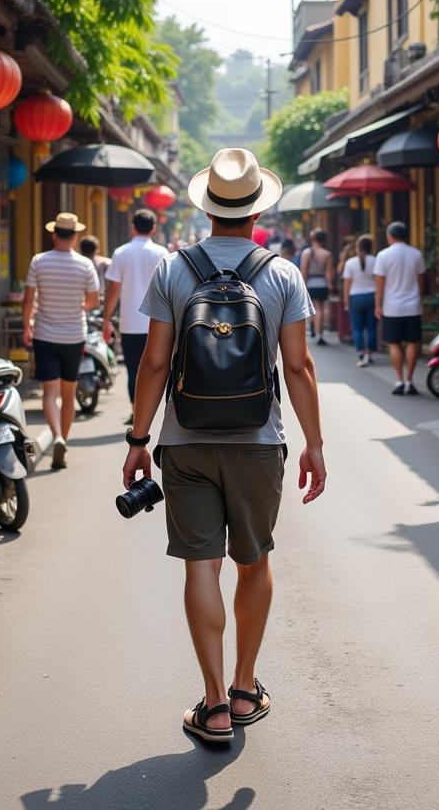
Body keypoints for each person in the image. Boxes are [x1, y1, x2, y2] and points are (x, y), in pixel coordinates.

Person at [122, 147, 326, 745]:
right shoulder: (283, 273)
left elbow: (154, 363)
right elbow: (299, 366)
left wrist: (138, 440)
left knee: (201, 564)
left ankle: (212, 707)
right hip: (260, 441)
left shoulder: (172, 269)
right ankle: (243, 688)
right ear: (257, 210)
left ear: (207, 207)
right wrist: (313, 444)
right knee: (254, 560)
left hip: (185, 439)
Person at [22, 213, 100, 470]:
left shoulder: (39, 261)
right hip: (73, 336)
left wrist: (26, 326)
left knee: (50, 393)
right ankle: (63, 441)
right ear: (75, 236)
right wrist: (79, 304)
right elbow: (93, 301)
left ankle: (55, 435)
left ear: (54, 234)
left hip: (45, 334)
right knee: (68, 394)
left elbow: (28, 298)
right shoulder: (85, 265)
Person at [102, 209, 168, 423]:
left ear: (133, 227)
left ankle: (136, 410)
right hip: (158, 322)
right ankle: (156, 410)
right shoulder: (162, 253)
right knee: (159, 366)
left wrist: (106, 319)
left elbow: (113, 289)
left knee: (134, 370)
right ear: (154, 229)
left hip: (130, 322)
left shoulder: (121, 253)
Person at [374, 221, 426, 395]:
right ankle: (410, 380)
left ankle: (399, 380)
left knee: (394, 343)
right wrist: (420, 300)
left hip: (392, 307)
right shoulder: (416, 254)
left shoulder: (383, 255)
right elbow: (421, 281)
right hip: (413, 306)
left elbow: (379, 283)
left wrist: (378, 305)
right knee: (412, 342)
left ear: (389, 236)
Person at [342, 234, 377, 367]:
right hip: (371, 296)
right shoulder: (375, 260)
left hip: (355, 297)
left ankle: (361, 353)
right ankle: (369, 354)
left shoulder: (350, 263)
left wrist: (346, 300)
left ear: (357, 247)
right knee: (371, 327)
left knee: (357, 328)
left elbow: (347, 283)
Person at [300, 229, 334, 345]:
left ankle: (314, 329)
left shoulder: (306, 253)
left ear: (313, 239)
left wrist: (302, 284)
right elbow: (329, 272)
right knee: (321, 308)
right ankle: (320, 334)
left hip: (311, 283)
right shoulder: (327, 254)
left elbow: (304, 271)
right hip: (322, 283)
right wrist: (330, 284)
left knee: (314, 308)